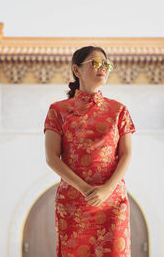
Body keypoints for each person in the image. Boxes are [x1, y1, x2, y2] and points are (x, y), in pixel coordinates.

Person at [44, 46, 135, 257]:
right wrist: (85, 189)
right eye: (95, 63)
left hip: (112, 202)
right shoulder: (58, 110)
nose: (102, 67)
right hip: (74, 203)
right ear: (76, 70)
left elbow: (127, 155)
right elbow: (51, 157)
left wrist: (106, 190)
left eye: (106, 64)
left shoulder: (118, 110)